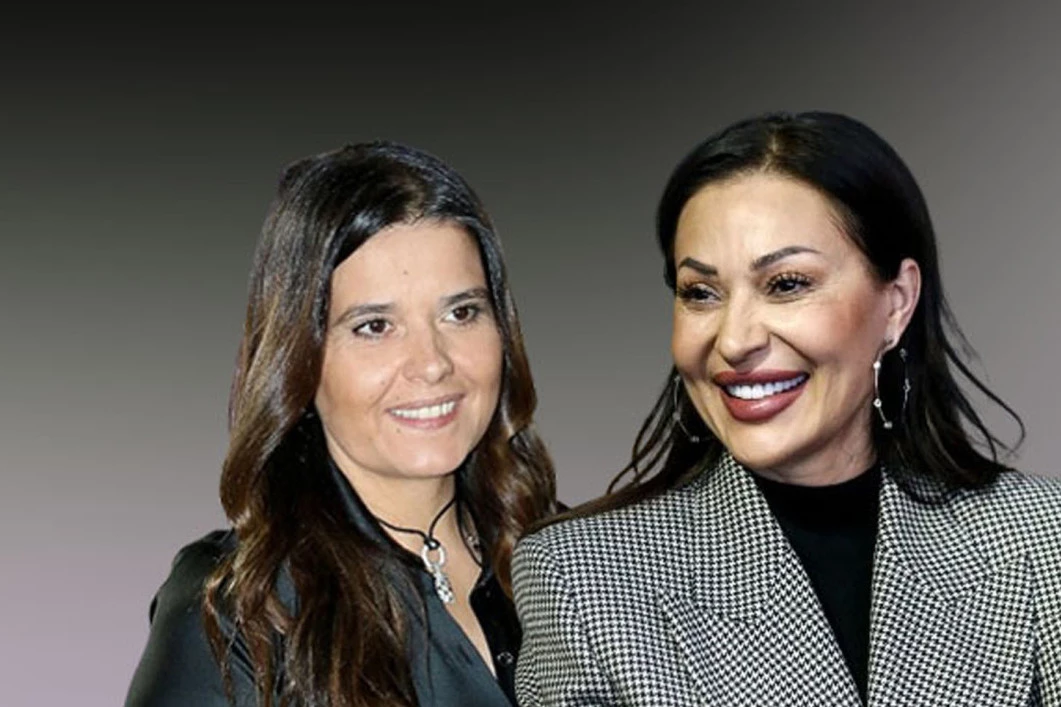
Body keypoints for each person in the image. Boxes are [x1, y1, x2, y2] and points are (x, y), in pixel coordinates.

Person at [512, 112, 1061, 706]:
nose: (734, 340)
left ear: (897, 302)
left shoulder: (1040, 537)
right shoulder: (581, 577)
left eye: (787, 284)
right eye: (701, 293)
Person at [125, 141, 556, 707]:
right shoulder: (239, 608)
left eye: (461, 313)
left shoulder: (571, 560)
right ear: (300, 357)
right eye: (374, 326)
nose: (432, 363)